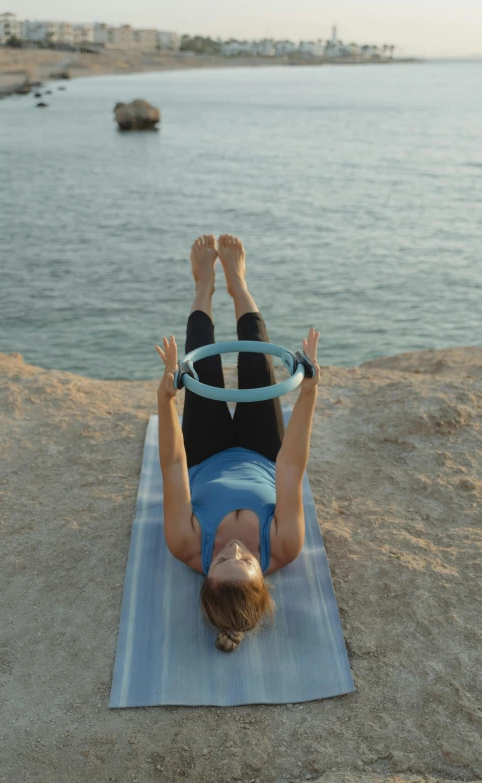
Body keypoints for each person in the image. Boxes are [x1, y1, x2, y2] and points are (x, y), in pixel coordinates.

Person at [155, 234, 320, 652]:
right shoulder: (285, 546)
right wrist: (309, 392)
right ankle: (238, 282)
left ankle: (203, 286)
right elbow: (290, 467)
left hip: (204, 454)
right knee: (257, 361)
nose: (231, 549)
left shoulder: (184, 544)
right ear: (263, 578)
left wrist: (166, 399)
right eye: (245, 561)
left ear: (205, 573)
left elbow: (173, 467)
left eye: (220, 560)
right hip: (263, 453)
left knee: (201, 362)